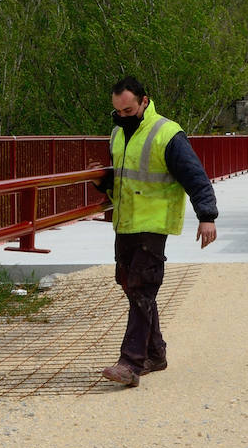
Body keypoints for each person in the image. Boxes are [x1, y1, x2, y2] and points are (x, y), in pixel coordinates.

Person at [90, 76, 218, 388]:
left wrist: (207, 216)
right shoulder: (118, 132)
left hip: (154, 223)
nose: (123, 115)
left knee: (142, 287)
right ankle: (155, 353)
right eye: (118, 111)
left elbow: (195, 176)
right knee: (131, 286)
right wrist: (102, 182)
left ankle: (130, 363)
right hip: (125, 221)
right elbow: (123, 176)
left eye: (128, 109)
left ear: (144, 101)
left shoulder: (167, 133)